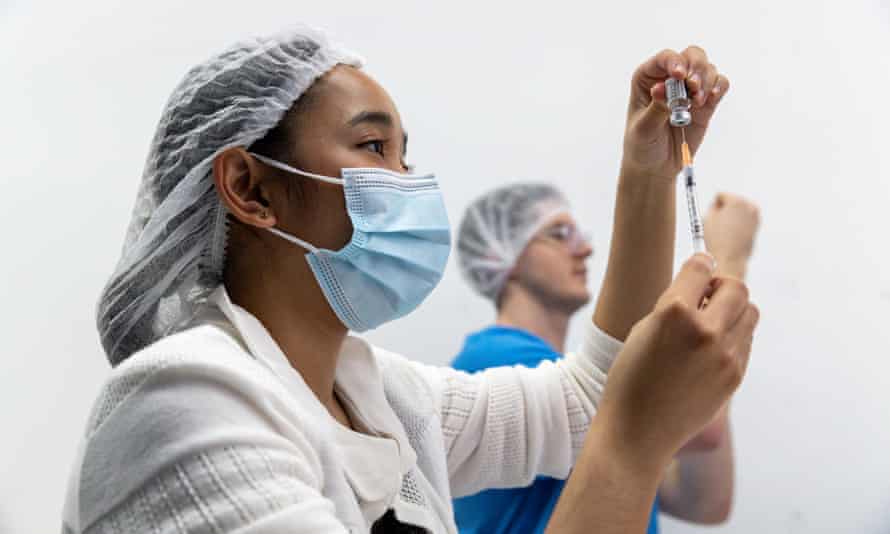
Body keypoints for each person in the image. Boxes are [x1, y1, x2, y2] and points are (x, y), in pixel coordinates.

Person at [61, 27, 758, 534]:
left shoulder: (379, 396)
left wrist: (649, 169)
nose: (406, 182)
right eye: (372, 147)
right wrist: (632, 448)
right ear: (251, 188)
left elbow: (591, 402)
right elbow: (616, 422)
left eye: (405, 155)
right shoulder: (186, 405)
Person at [452, 185, 761, 534]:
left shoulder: (573, 390)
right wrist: (728, 259)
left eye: (578, 235)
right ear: (500, 255)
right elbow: (697, 426)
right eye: (559, 234)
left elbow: (704, 502)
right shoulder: (495, 360)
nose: (584, 249)